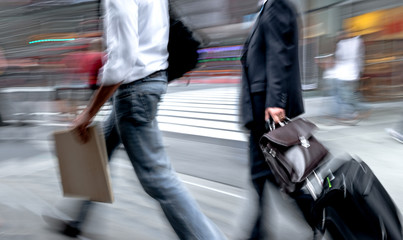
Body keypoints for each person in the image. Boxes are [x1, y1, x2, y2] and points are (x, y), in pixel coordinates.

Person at [45, 0, 226, 239]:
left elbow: (121, 61)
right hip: (148, 83)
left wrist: (88, 113)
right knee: (101, 154)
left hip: (134, 91)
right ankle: (77, 220)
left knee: (157, 178)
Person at [239, 0, 306, 239]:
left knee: (278, 173)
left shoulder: (276, 4)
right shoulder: (267, 7)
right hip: (260, 106)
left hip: (266, 107)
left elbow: (279, 53)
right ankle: (259, 231)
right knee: (265, 173)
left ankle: (325, 219)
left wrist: (276, 100)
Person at [332, 30, 371, 122]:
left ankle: (363, 108)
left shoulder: (349, 43)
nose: (338, 37)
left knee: (347, 95)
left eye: (340, 35)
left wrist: (359, 71)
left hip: (349, 74)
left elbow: (341, 58)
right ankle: (352, 113)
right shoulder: (352, 43)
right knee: (345, 95)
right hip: (345, 74)